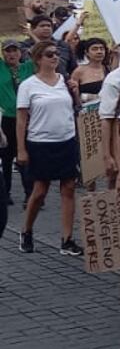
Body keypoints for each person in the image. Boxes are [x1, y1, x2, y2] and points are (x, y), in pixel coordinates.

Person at [16, 40, 81, 256]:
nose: (55, 58)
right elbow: (22, 120)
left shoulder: (65, 81)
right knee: (40, 191)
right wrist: (21, 149)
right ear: (38, 59)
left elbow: (76, 108)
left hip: (66, 140)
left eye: (56, 54)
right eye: (49, 54)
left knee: (69, 188)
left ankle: (67, 239)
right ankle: (26, 230)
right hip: (40, 142)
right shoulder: (29, 85)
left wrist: (75, 92)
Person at [0, 39, 32, 204]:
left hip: (28, 119)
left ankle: (30, 194)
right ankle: (6, 193)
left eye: (14, 50)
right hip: (7, 119)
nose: (11, 54)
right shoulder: (0, 68)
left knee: (26, 157)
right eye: (7, 51)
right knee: (5, 158)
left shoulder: (28, 67)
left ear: (21, 52)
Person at [71, 37, 112, 114]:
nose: (99, 51)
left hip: (108, 112)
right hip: (88, 116)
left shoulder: (108, 69)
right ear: (86, 52)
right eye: (95, 49)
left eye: (101, 48)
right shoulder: (79, 71)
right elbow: (74, 97)